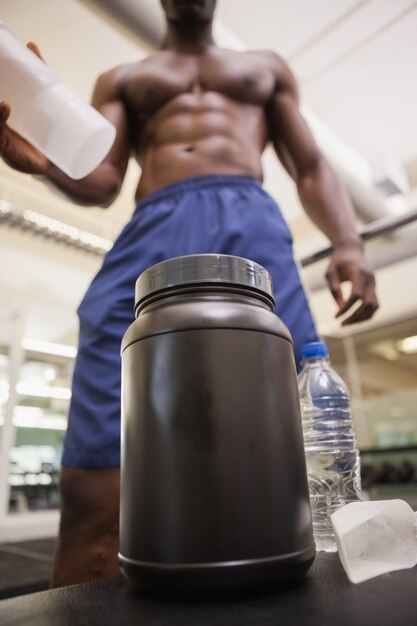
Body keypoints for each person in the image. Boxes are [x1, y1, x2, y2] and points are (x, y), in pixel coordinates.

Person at [0, 0, 378, 586]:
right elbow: (101, 178)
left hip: (250, 218)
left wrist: (347, 241)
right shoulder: (124, 78)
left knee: (300, 414)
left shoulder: (264, 66)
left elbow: (308, 165)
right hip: (154, 220)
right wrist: (47, 165)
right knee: (107, 336)